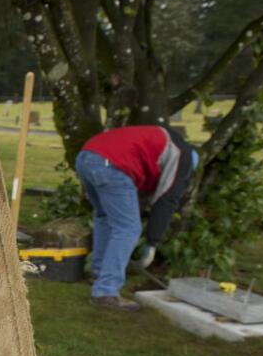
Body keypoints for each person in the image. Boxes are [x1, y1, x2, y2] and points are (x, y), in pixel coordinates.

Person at [74, 125, 198, 311]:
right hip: (111, 165)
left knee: (105, 218)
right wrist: (152, 243)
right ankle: (106, 291)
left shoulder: (163, 140)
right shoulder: (183, 156)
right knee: (128, 228)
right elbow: (167, 198)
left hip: (86, 157)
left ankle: (99, 273)